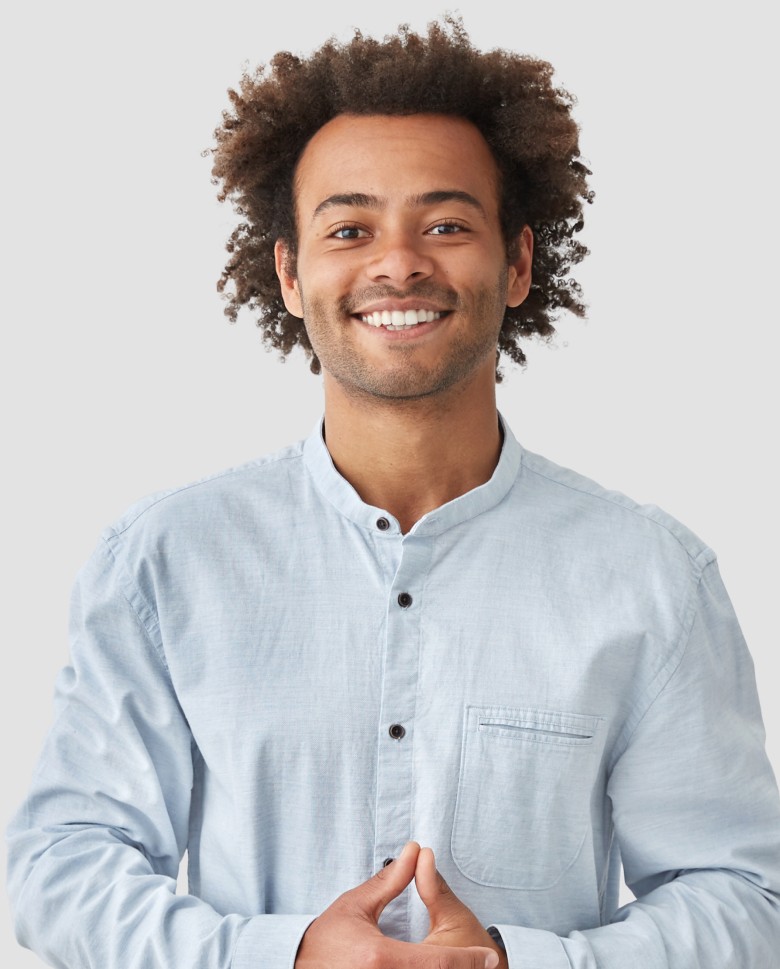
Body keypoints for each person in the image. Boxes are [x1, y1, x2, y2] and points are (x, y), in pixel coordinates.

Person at [7, 16, 780, 969]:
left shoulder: (652, 575)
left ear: (519, 263)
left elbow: (743, 895)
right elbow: (62, 867)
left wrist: (515, 962)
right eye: (349, 228)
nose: (399, 262)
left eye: (446, 225)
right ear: (290, 273)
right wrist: (288, 956)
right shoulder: (165, 561)